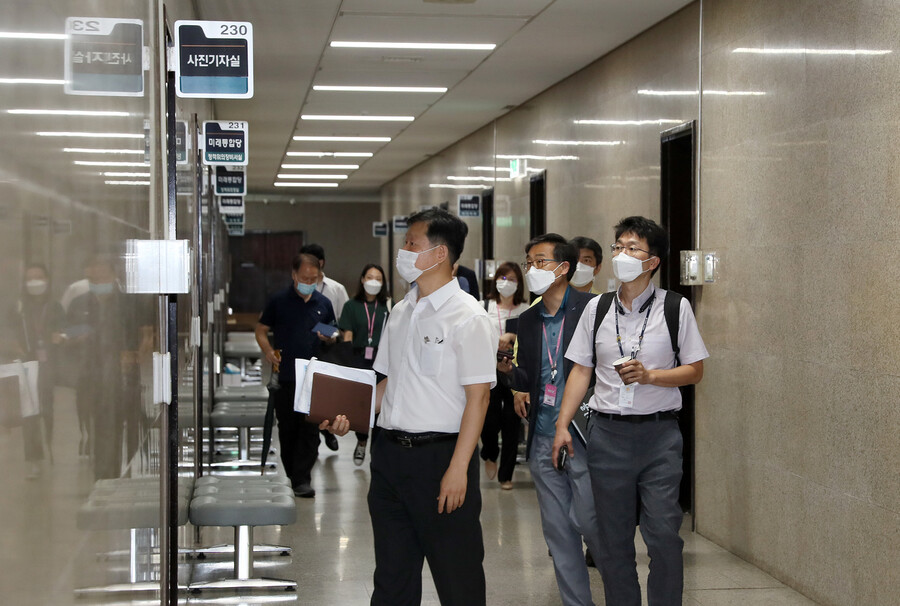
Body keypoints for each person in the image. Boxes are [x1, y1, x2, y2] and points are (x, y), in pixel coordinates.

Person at [323, 208, 497, 606]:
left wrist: (458, 469)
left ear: (438, 254)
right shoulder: (401, 311)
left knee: (459, 579)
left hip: (441, 460)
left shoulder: (468, 317)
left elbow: (479, 398)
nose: (403, 250)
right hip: (389, 461)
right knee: (392, 579)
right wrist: (350, 417)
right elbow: (387, 386)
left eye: (411, 243)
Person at [553, 216, 709, 606]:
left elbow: (695, 370)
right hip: (608, 436)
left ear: (652, 261)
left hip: (659, 438)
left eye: (633, 248)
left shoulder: (675, 307)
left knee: (663, 535)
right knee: (612, 539)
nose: (623, 254)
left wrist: (651, 376)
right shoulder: (598, 309)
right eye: (618, 246)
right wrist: (562, 426)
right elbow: (580, 371)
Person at [497, 234, 603, 606]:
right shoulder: (526, 320)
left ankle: (621, 588)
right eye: (529, 262)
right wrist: (504, 367)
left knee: (592, 522)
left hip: (583, 436)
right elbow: (527, 378)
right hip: (542, 434)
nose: (531, 269)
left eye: (540, 261)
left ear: (564, 268)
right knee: (558, 532)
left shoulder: (594, 309)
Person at [255, 252, 339, 498]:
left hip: (314, 377)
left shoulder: (323, 304)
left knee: (310, 431)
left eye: (314, 278)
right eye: (304, 277)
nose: (309, 282)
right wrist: (268, 351)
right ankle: (293, 475)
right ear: (293, 275)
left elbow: (332, 333)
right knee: (288, 429)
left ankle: (303, 478)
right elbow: (261, 330)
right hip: (286, 377)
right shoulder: (278, 301)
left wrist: (328, 336)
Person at [9, 264, 64, 479]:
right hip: (25, 362)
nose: (34, 282)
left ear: (47, 280)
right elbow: (8, 329)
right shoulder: (19, 308)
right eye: (30, 278)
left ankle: (48, 443)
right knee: (29, 411)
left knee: (46, 407)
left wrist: (60, 337)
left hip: (49, 363)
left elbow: (64, 328)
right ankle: (34, 459)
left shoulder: (55, 306)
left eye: (38, 277)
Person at [479, 261, 529, 489]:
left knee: (511, 421)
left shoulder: (525, 310)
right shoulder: (484, 306)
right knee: (489, 420)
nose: (506, 284)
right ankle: (489, 454)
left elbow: (530, 342)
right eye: (502, 278)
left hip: (513, 370)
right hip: (487, 367)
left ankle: (506, 475)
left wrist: (513, 337)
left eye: (512, 280)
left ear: (519, 284)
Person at [338, 264, 390, 466]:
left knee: (380, 405)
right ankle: (361, 440)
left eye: (378, 278)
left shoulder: (388, 305)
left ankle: (376, 451)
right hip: (358, 358)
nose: (373, 282)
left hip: (382, 360)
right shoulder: (351, 306)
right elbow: (348, 335)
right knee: (362, 404)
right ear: (362, 279)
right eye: (370, 277)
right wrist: (347, 365)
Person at [299, 243, 348, 452]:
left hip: (328, 350)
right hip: (304, 351)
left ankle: (327, 431)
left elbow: (343, 324)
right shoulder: (296, 288)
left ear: (321, 263)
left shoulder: (336, 290)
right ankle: (314, 436)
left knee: (326, 396)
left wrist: (332, 335)